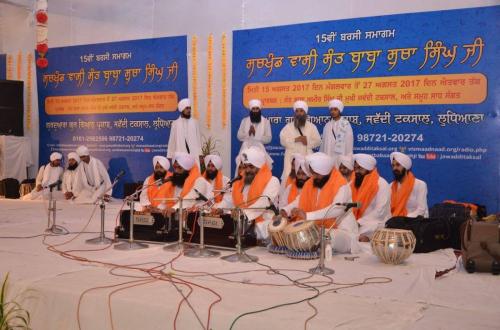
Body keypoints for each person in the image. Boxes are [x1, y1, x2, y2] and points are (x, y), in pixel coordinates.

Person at [281, 152, 359, 253]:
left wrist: (308, 215)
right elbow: (299, 200)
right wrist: (286, 210)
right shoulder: (312, 182)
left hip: (343, 231)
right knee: (307, 234)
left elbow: (336, 210)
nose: (314, 176)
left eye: (316, 174)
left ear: (325, 171)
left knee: (323, 236)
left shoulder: (342, 186)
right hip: (319, 228)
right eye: (313, 173)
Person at [214, 147, 280, 240]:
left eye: (251, 166)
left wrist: (243, 213)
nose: (247, 170)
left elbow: (263, 203)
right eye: (245, 166)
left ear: (260, 167)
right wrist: (220, 209)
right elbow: (230, 201)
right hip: (240, 227)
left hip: (262, 230)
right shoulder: (240, 181)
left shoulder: (272, 181)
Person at [351, 154, 391, 242]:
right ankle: (361, 236)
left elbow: (380, 212)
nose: (356, 171)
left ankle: (365, 236)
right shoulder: (352, 184)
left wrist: (359, 222)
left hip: (375, 222)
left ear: (368, 168)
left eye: (360, 168)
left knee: (375, 226)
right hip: (356, 222)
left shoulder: (382, 184)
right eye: (355, 168)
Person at [279, 100, 321, 180]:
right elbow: (282, 141)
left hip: (306, 158)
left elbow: (318, 141)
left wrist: (307, 142)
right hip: (291, 160)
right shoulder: (288, 127)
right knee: (290, 182)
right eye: (297, 111)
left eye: (301, 111)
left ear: (305, 113)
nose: (299, 113)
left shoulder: (311, 127)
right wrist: (296, 139)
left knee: (306, 181)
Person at [389, 151, 428, 217]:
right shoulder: (390, 186)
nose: (394, 168)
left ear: (405, 167)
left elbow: (421, 210)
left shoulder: (420, 184)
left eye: (398, 165)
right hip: (396, 220)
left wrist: (404, 219)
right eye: (393, 165)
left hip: (416, 221)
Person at [237, 99, 273, 167]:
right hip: (245, 149)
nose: (255, 110)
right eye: (253, 109)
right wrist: (248, 133)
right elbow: (239, 136)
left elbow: (268, 139)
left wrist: (256, 134)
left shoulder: (266, 122)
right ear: (251, 110)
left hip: (259, 150)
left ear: (260, 110)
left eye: (257, 109)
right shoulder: (244, 121)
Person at [167, 98, 202, 166]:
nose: (189, 110)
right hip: (181, 154)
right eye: (187, 108)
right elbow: (172, 140)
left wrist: (200, 154)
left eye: (190, 108)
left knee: (195, 173)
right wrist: (170, 155)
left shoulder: (195, 122)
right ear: (182, 109)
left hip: (194, 154)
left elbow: (199, 140)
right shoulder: (175, 123)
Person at [319, 99, 354, 165]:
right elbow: (323, 144)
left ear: (339, 110)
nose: (333, 112)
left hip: (341, 156)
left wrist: (347, 159)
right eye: (331, 110)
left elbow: (349, 143)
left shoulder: (345, 124)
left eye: (335, 109)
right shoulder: (327, 125)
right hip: (328, 155)